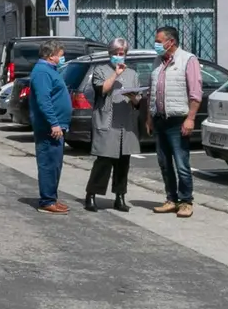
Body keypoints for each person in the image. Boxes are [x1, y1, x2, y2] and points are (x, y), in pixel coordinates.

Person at [146, 26, 202, 218]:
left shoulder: (188, 60)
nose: (156, 45)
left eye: (159, 41)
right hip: (160, 119)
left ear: (171, 42)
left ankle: (186, 201)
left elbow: (195, 93)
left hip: (178, 120)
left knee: (181, 163)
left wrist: (190, 119)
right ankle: (171, 199)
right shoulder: (158, 61)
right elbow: (151, 91)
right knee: (164, 163)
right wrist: (149, 117)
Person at [85, 38, 142, 212]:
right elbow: (101, 90)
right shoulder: (100, 70)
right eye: (116, 54)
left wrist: (134, 97)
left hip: (126, 123)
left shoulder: (132, 73)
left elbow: (138, 100)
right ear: (110, 54)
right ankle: (91, 195)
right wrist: (115, 74)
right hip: (107, 122)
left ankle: (120, 196)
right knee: (103, 160)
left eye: (122, 54)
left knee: (123, 163)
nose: (119, 57)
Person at [29, 40, 73, 214]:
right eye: (61, 55)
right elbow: (44, 100)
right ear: (50, 55)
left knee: (55, 164)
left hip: (56, 126)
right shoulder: (41, 72)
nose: (62, 58)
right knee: (48, 163)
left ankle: (51, 197)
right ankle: (47, 201)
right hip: (49, 128)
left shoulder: (50, 70)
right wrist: (54, 123)